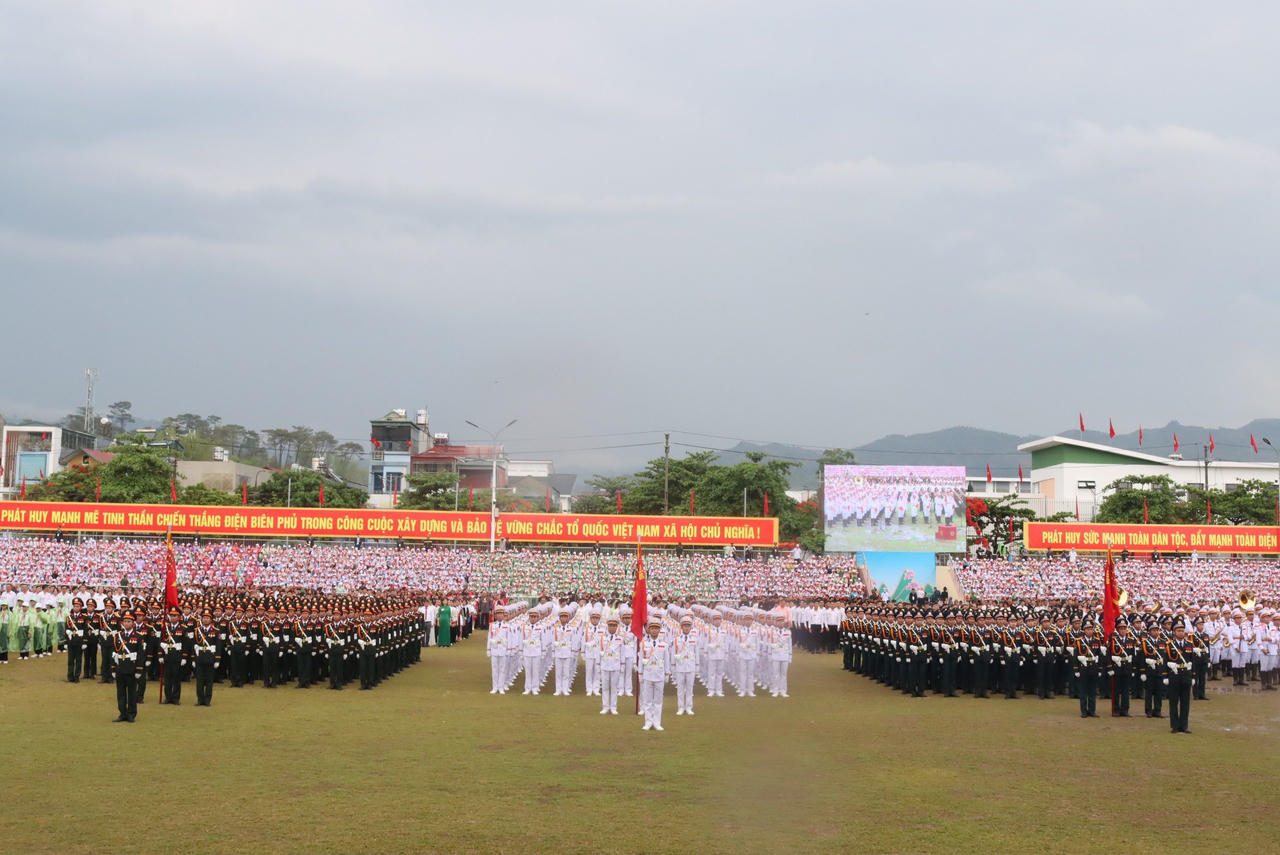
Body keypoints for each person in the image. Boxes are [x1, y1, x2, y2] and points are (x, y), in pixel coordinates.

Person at [112, 611, 145, 722]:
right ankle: (122, 713)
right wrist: (113, 668)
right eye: (125, 621)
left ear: (133, 623)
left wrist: (139, 670)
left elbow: (140, 654)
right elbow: (114, 653)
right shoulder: (118, 636)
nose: (126, 623)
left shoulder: (138, 636)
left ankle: (131, 714)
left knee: (131, 693)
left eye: (129, 621)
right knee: (120, 693)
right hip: (120, 668)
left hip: (132, 669)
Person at [638, 616, 670, 731]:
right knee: (647, 701)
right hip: (647, 674)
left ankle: (657, 722)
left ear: (659, 630)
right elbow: (641, 659)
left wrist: (667, 674)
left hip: (659, 675)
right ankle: (648, 722)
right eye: (652, 628)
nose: (654, 630)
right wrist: (640, 674)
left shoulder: (664, 644)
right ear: (648, 629)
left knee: (658, 701)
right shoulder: (644, 644)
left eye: (656, 628)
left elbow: (667, 660)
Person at [1163, 623, 1195, 734]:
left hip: (1186, 676)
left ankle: (1184, 726)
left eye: (1182, 630)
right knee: (1173, 702)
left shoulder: (1189, 644)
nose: (1181, 632)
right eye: (1178, 631)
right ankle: (1175, 726)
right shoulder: (1169, 645)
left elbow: (1193, 661)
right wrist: (1165, 676)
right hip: (1174, 676)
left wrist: (1193, 675)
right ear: (1174, 632)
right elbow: (1165, 661)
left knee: (1185, 702)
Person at [1072, 623, 1102, 718]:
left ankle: (1092, 711)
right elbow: (1075, 656)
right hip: (1083, 668)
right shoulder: (1079, 641)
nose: (1089, 631)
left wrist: (1100, 669)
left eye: (1091, 629)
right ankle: (1084, 711)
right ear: (1084, 630)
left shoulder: (1097, 641)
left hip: (1093, 668)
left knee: (1092, 691)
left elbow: (1099, 655)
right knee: (1083, 691)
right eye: (1087, 629)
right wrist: (1076, 669)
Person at [193, 610, 217, 706]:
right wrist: (193, 659)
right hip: (200, 657)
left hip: (210, 658)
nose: (206, 619)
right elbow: (193, 645)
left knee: (209, 681)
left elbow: (218, 646)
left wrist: (217, 659)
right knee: (199, 681)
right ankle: (200, 699)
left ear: (211, 620)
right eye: (204, 618)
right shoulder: (197, 630)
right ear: (201, 619)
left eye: (207, 618)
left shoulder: (215, 630)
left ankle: (207, 700)